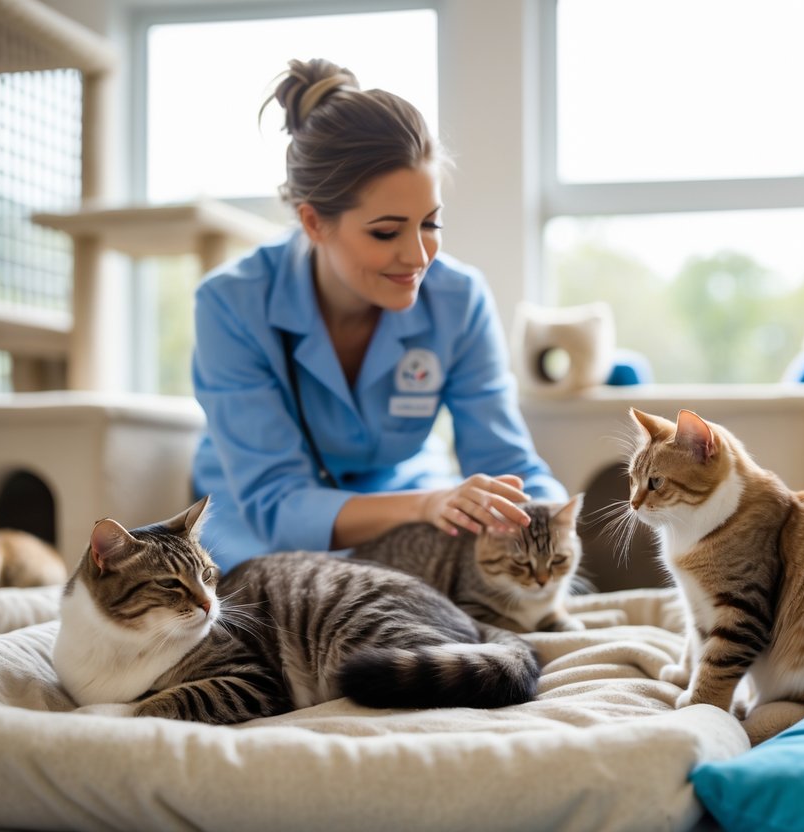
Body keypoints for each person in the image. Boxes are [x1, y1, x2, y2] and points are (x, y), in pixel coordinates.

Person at [190, 58, 567, 571]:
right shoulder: (230, 304)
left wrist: (549, 521)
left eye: (430, 223)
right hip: (257, 511)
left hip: (402, 489)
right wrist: (428, 506)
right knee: (289, 598)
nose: (417, 256)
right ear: (314, 222)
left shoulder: (459, 300)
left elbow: (505, 462)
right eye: (387, 232)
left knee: (436, 584)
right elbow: (276, 501)